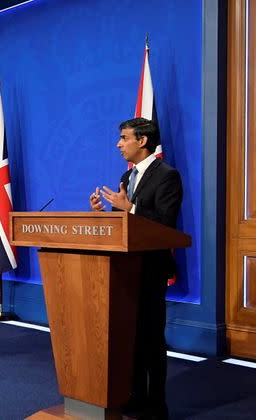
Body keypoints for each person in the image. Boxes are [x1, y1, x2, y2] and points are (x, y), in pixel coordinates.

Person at [89, 118, 182, 420]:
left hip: (151, 268)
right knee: (129, 338)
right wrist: (104, 214)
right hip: (125, 268)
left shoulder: (167, 176)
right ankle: (135, 397)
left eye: (123, 138)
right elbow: (126, 226)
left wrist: (129, 208)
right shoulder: (125, 177)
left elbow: (165, 223)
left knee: (151, 339)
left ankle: (156, 406)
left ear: (142, 141)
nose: (118, 144)